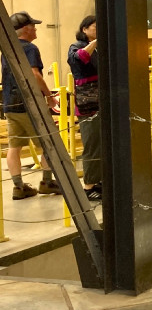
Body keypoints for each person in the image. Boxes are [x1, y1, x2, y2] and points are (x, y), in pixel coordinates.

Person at [2, 11, 60, 199]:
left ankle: (19, 187)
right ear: (25, 29)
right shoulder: (30, 49)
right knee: (47, 143)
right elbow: (35, 74)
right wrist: (50, 96)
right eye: (33, 26)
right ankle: (47, 181)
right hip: (28, 104)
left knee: (14, 146)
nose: (36, 29)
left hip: (10, 104)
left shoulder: (7, 49)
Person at [68, 15, 101, 200]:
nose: (98, 30)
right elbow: (81, 58)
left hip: (103, 102)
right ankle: (89, 186)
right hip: (88, 105)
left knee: (103, 144)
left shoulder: (100, 49)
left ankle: (99, 181)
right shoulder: (77, 47)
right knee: (92, 145)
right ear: (84, 29)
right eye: (95, 27)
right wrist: (96, 41)